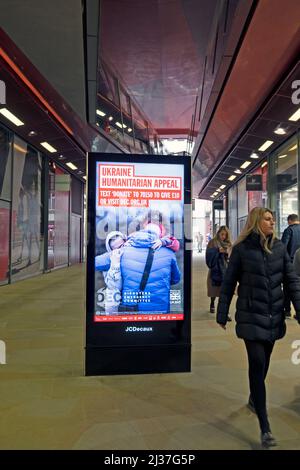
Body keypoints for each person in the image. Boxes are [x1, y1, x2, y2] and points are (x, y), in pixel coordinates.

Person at [216, 207, 300, 448]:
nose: (272, 221)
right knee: (256, 363)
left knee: (263, 365)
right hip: (251, 315)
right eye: (267, 218)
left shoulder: (279, 248)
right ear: (256, 222)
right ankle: (264, 425)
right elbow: (229, 281)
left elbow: (291, 281)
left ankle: (255, 398)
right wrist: (222, 312)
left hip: (273, 316)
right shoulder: (242, 250)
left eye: (273, 218)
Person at [96, 223, 181, 313]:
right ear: (159, 235)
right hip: (160, 310)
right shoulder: (169, 252)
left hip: (132, 309)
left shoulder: (119, 253)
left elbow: (95, 263)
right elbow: (175, 279)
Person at [205, 226, 232, 317]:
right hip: (215, 270)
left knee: (224, 292)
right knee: (214, 290)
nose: (223, 236)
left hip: (225, 270)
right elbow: (208, 255)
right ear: (218, 233)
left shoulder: (228, 244)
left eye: (225, 235)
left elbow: (232, 256)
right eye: (222, 234)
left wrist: (227, 253)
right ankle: (212, 303)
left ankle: (225, 312)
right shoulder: (212, 242)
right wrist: (217, 251)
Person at [281, 213, 300, 317]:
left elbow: (283, 247)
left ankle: (287, 310)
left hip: (291, 263)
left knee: (288, 288)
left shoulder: (289, 230)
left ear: (289, 221)